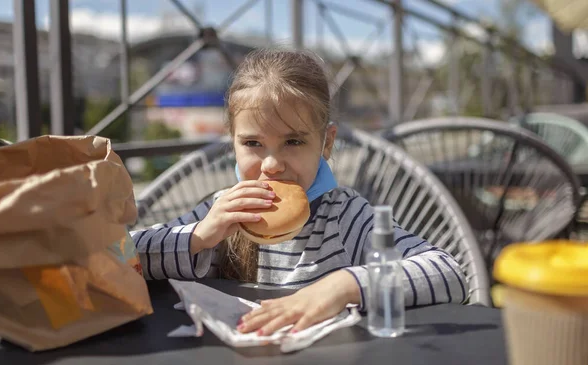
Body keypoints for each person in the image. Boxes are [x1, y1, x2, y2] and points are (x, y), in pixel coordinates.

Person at [130, 48, 468, 336]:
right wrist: (198, 237)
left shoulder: (342, 216)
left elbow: (449, 273)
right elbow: (121, 256)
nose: (272, 164)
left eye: (293, 141)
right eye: (252, 143)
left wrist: (343, 286)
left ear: (326, 143)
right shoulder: (223, 210)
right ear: (232, 143)